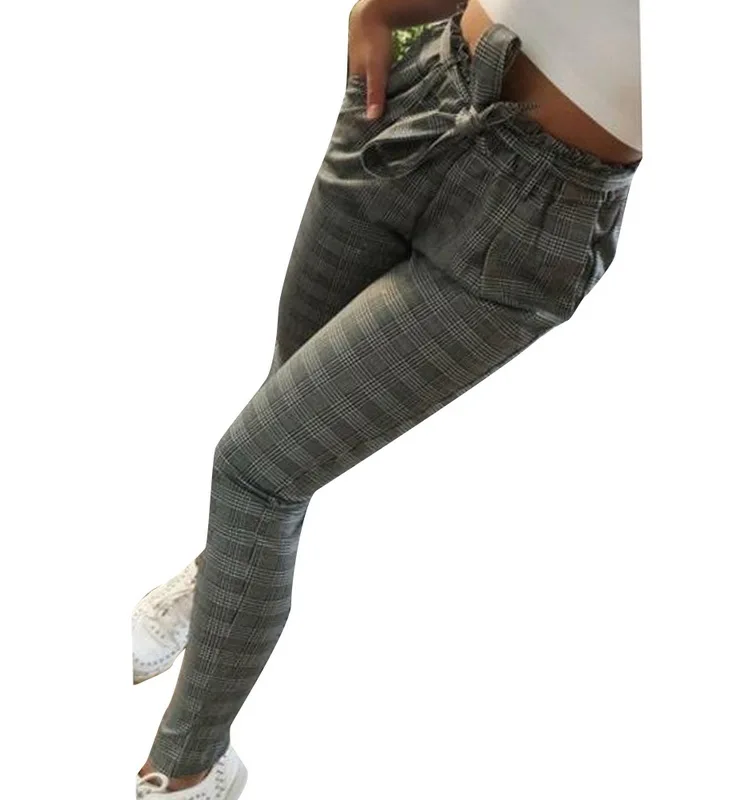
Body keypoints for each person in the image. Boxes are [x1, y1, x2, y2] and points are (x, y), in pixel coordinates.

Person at [133, 0, 642, 795]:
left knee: (258, 473)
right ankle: (219, 580)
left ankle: (186, 769)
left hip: (535, 221)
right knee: (287, 395)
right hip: (424, 90)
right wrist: (379, 13)